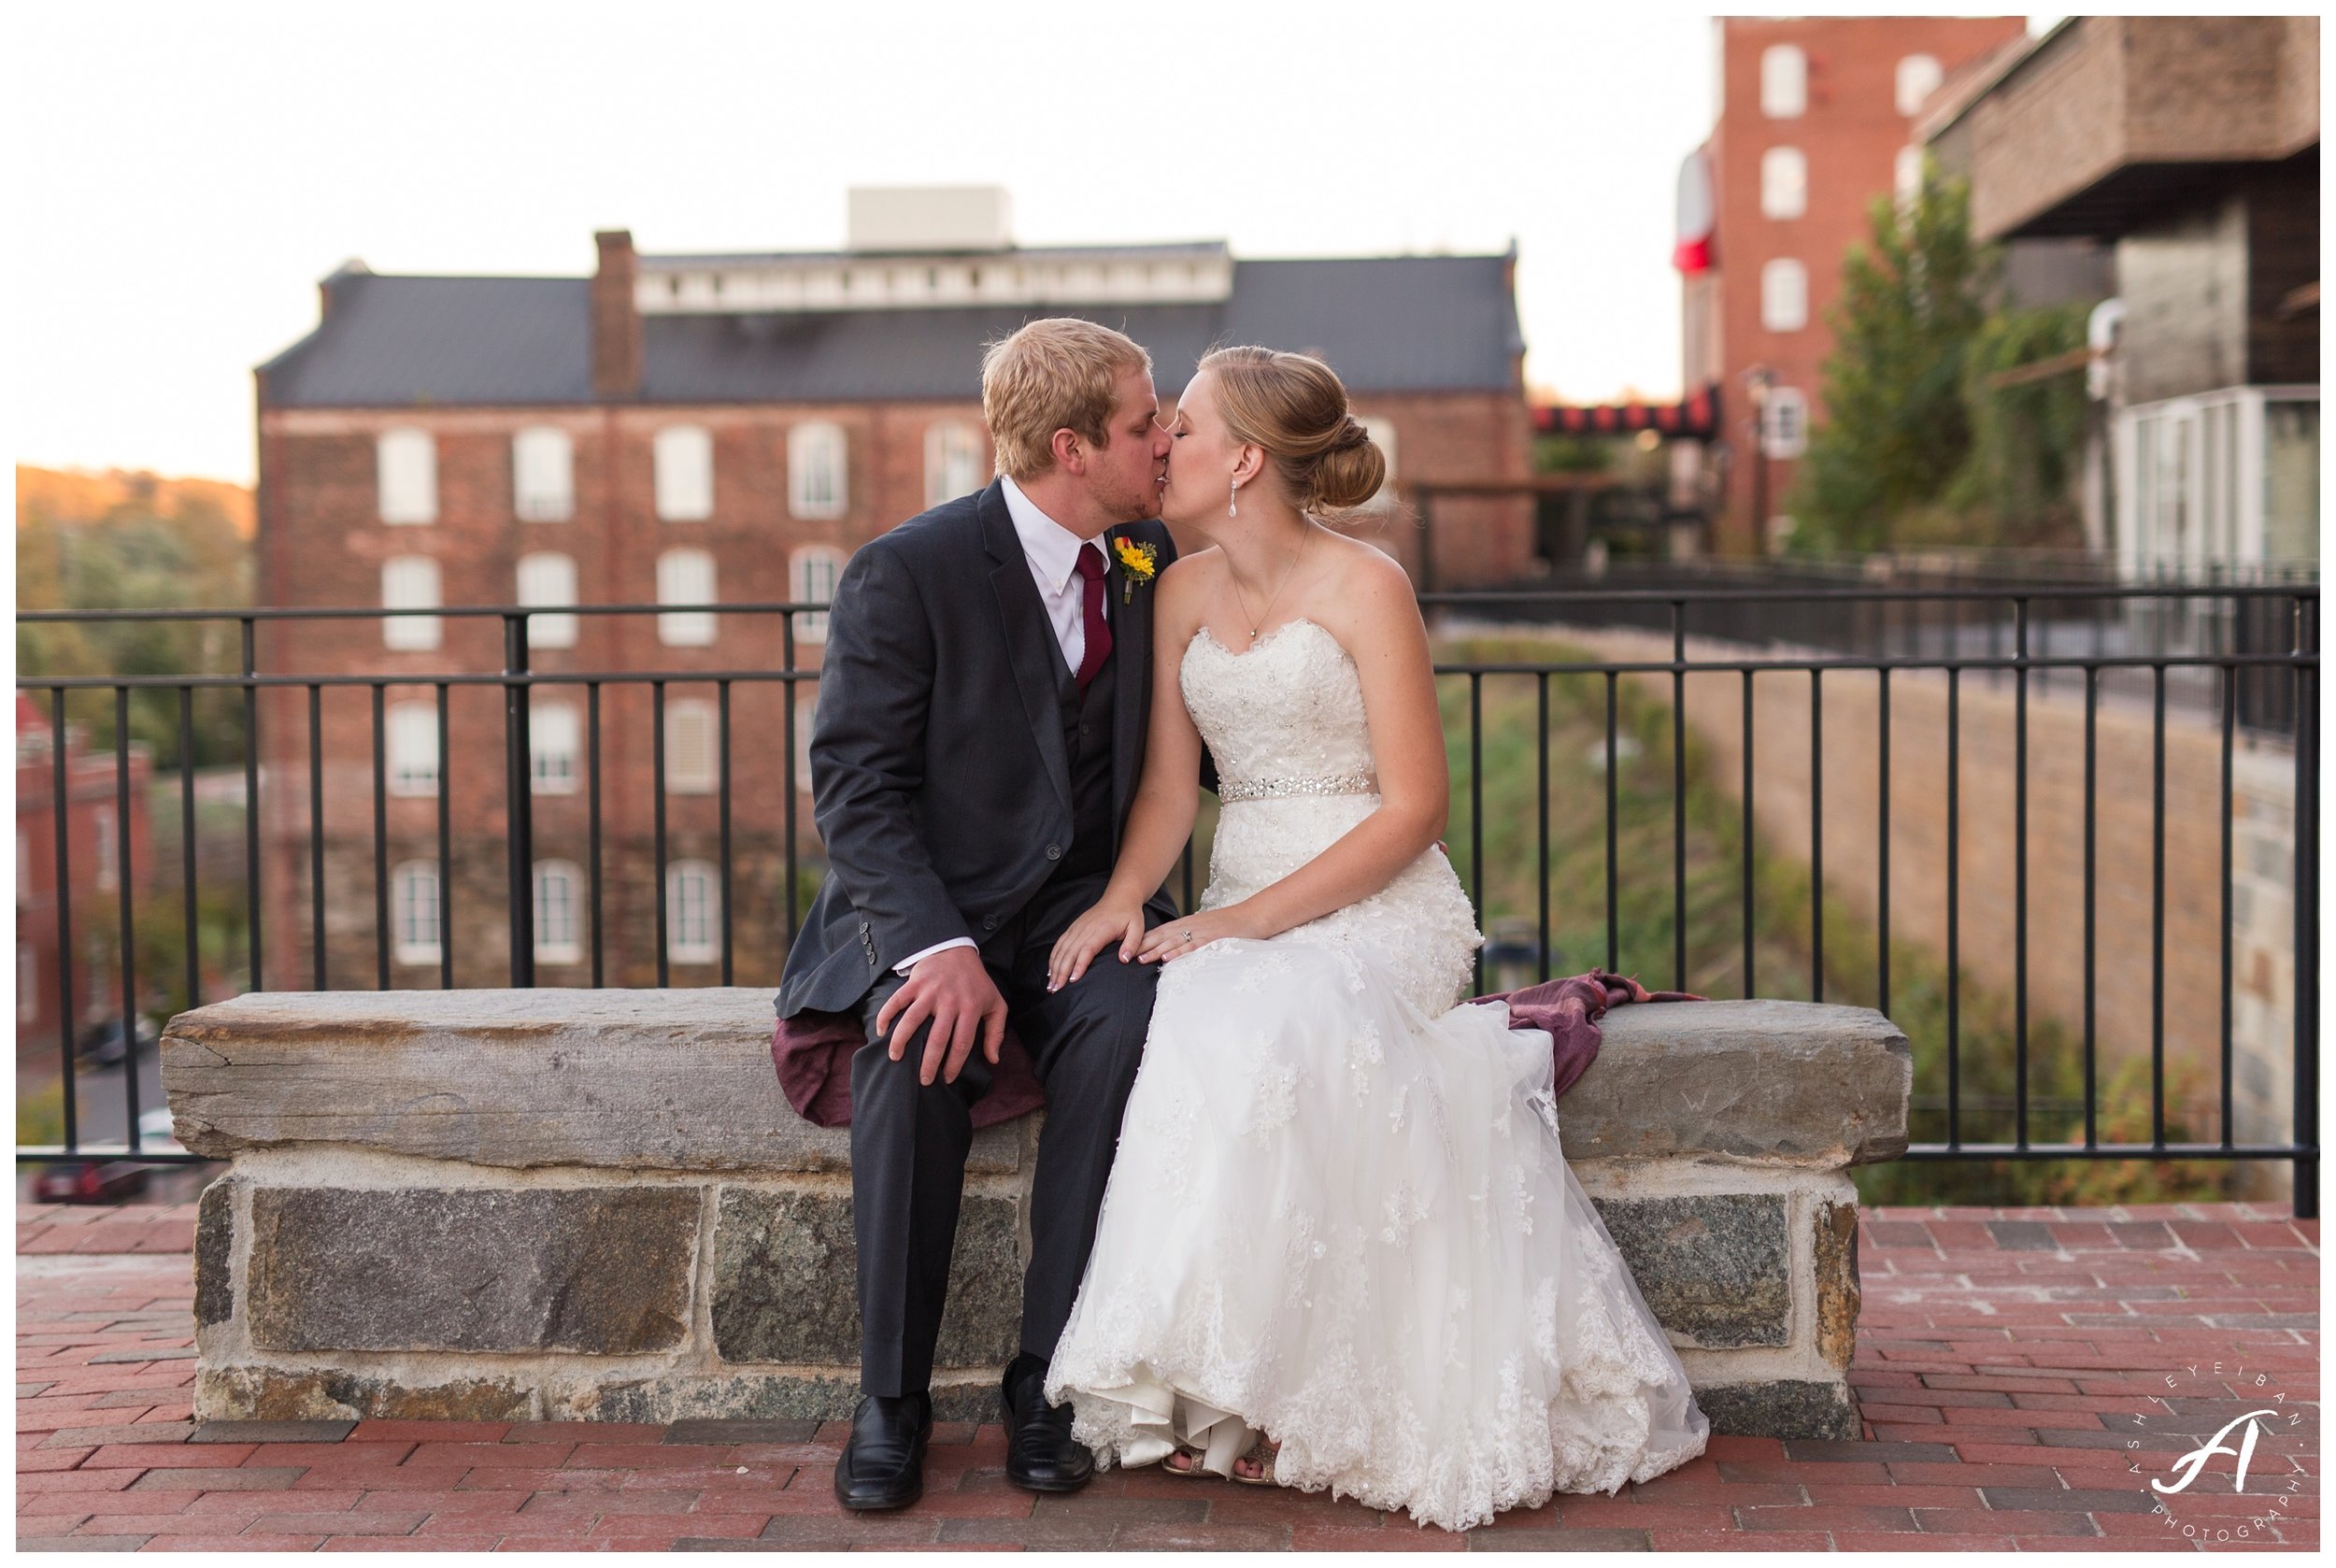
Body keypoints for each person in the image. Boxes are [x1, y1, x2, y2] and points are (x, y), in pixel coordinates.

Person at [1042, 346, 1709, 1532]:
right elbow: (1162, 794)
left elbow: (1414, 808)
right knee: (1202, 1012)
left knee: (1290, 1015)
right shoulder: (1176, 594)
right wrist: (1124, 900)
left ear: (1244, 458)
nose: (1162, 447)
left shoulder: (1368, 586)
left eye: (1181, 430)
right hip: (1240, 891)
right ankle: (1227, 1391)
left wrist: (1241, 919)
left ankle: (1294, 1402)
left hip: (1376, 900)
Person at [775, 318, 1182, 1511]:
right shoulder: (910, 570)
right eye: (1144, 420)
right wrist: (934, 946)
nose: (1164, 438)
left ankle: (1047, 1381)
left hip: (1084, 916)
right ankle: (890, 1397)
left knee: (1126, 1031)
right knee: (907, 1057)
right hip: (936, 914)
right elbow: (854, 784)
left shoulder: (1151, 553)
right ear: (1072, 446)